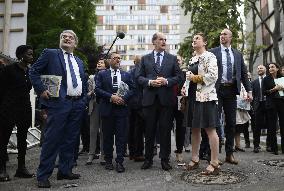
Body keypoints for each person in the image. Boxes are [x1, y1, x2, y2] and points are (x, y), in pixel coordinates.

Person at [29, 30, 87, 188]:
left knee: (71, 140)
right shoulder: (50, 54)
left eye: (71, 37)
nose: (67, 38)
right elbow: (33, 71)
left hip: (77, 105)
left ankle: (65, 170)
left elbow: (83, 81)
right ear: (60, 41)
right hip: (58, 104)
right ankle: (43, 175)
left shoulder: (79, 61)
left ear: (75, 43)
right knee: (52, 140)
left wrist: (83, 101)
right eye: (64, 36)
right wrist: (41, 90)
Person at [137, 32, 184, 171]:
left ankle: (165, 159)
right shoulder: (145, 59)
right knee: (149, 131)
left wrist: (167, 81)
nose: (164, 41)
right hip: (150, 101)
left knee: (165, 131)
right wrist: (150, 82)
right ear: (154, 42)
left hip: (166, 101)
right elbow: (138, 78)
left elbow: (179, 77)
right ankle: (148, 159)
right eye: (161, 39)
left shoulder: (172, 58)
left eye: (165, 39)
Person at [209, 28, 252, 165]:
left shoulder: (237, 54)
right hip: (216, 90)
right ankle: (213, 155)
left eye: (225, 34)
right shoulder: (212, 52)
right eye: (221, 34)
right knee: (214, 122)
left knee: (231, 123)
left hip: (231, 91)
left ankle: (229, 154)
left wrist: (249, 91)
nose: (222, 36)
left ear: (231, 37)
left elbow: (244, 74)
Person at [184, 33, 220, 175]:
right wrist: (186, 84)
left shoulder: (210, 56)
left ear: (204, 42)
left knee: (210, 129)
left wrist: (194, 77)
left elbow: (213, 76)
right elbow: (189, 78)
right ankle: (194, 159)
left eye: (197, 38)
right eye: (193, 38)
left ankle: (215, 162)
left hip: (205, 97)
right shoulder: (193, 58)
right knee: (194, 129)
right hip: (193, 97)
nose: (194, 40)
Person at [95, 52, 134, 173]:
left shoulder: (126, 75)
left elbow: (133, 89)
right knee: (107, 137)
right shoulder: (102, 74)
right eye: (115, 58)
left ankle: (120, 161)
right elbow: (97, 89)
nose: (117, 60)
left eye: (119, 58)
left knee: (121, 137)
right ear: (109, 61)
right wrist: (111, 97)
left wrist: (124, 98)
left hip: (122, 110)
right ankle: (108, 160)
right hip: (107, 110)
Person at [0, 45, 35, 182]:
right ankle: (2, 169)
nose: (31, 56)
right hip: (9, 107)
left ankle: (21, 168)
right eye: (29, 54)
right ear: (20, 55)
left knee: (22, 139)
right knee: (3, 139)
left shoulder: (30, 71)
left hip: (25, 107)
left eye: (32, 54)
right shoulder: (8, 69)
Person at [86, 58, 108, 165]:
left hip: (104, 105)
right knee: (93, 130)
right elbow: (87, 93)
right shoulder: (91, 78)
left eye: (102, 62)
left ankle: (103, 155)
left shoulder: (108, 76)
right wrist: (92, 92)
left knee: (104, 131)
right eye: (98, 62)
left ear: (106, 65)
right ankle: (91, 154)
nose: (99, 63)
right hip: (94, 105)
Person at [263, 62, 284, 155]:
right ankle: (274, 148)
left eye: (272, 67)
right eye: (269, 67)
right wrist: (274, 89)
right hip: (271, 103)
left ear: (277, 68)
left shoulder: (282, 78)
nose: (270, 68)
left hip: (282, 102)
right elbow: (264, 92)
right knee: (272, 126)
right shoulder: (266, 79)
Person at [128, 55, 145, 162]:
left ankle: (131, 153)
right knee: (139, 130)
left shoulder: (129, 73)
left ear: (134, 62)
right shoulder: (144, 73)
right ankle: (138, 153)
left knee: (131, 129)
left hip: (130, 104)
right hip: (141, 104)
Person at [252, 64, 269, 153]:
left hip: (268, 105)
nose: (259, 69)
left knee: (270, 125)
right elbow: (253, 95)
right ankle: (256, 145)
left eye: (261, 68)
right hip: (258, 106)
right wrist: (253, 106)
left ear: (265, 70)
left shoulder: (269, 80)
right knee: (257, 126)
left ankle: (269, 145)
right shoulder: (254, 82)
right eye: (258, 68)